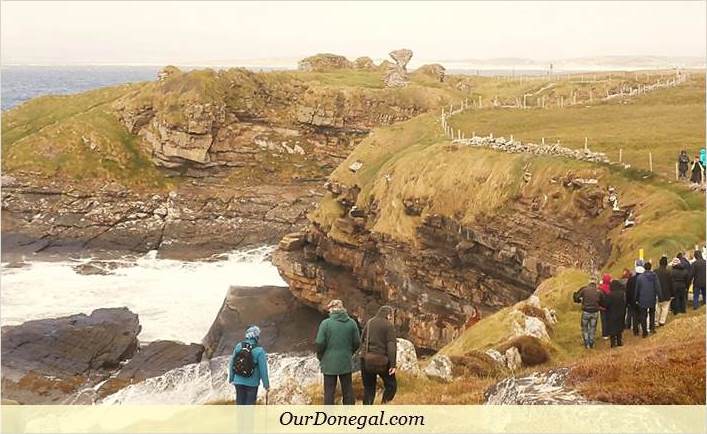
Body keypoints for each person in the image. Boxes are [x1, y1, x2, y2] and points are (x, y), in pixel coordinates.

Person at [315, 299, 361, 405]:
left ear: (331, 309)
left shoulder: (325, 324)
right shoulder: (352, 323)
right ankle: (349, 416)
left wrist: (321, 356)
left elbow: (320, 342)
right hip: (345, 360)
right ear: (342, 309)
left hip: (329, 362)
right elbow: (357, 342)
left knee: (329, 392)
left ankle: (329, 417)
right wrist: (349, 353)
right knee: (348, 390)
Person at [360, 305, 398, 405]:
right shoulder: (388, 326)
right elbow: (391, 345)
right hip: (382, 361)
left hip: (366, 360)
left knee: (368, 388)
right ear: (388, 315)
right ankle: (384, 404)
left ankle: (366, 412)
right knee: (391, 385)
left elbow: (362, 338)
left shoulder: (370, 322)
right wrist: (393, 364)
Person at [228, 325, 270, 405]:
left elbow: (232, 362)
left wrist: (231, 378)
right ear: (257, 336)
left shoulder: (239, 346)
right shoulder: (259, 351)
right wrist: (266, 385)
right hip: (252, 384)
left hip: (238, 381)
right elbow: (263, 370)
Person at [573, 276, 602, 349]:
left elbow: (576, 297)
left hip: (586, 311)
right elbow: (602, 301)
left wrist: (580, 300)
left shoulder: (584, 290)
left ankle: (586, 343)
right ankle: (591, 342)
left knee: (585, 328)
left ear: (589, 282)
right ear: (596, 282)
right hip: (595, 312)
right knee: (593, 328)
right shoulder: (598, 291)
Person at [635, 262, 662, 337]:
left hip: (642, 298)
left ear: (644, 268)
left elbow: (637, 289)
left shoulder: (640, 277)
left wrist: (636, 298)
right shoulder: (654, 276)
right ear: (650, 267)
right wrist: (660, 296)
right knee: (652, 313)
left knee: (643, 315)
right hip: (652, 297)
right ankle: (652, 328)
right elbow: (657, 286)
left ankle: (644, 332)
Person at [600, 279, 627, 348]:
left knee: (612, 328)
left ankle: (613, 343)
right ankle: (619, 342)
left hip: (612, 313)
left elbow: (606, 304)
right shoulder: (622, 294)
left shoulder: (610, 295)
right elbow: (625, 303)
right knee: (619, 327)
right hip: (620, 312)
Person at [625, 261, 643, 334]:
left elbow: (628, 291)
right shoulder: (643, 279)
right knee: (642, 313)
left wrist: (628, 301)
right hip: (642, 299)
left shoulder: (631, 279)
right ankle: (642, 327)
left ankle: (635, 330)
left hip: (633, 300)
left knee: (634, 314)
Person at [655, 256, 673, 326]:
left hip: (657, 293)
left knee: (657, 307)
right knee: (665, 307)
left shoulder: (655, 272)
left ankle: (656, 321)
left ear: (659, 263)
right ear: (666, 264)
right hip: (666, 293)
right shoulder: (668, 272)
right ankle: (662, 321)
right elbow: (671, 284)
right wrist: (672, 293)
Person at [598, 274, 612, 339]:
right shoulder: (611, 287)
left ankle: (605, 334)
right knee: (609, 319)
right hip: (610, 306)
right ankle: (610, 331)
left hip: (602, 306)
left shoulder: (600, 288)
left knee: (604, 320)